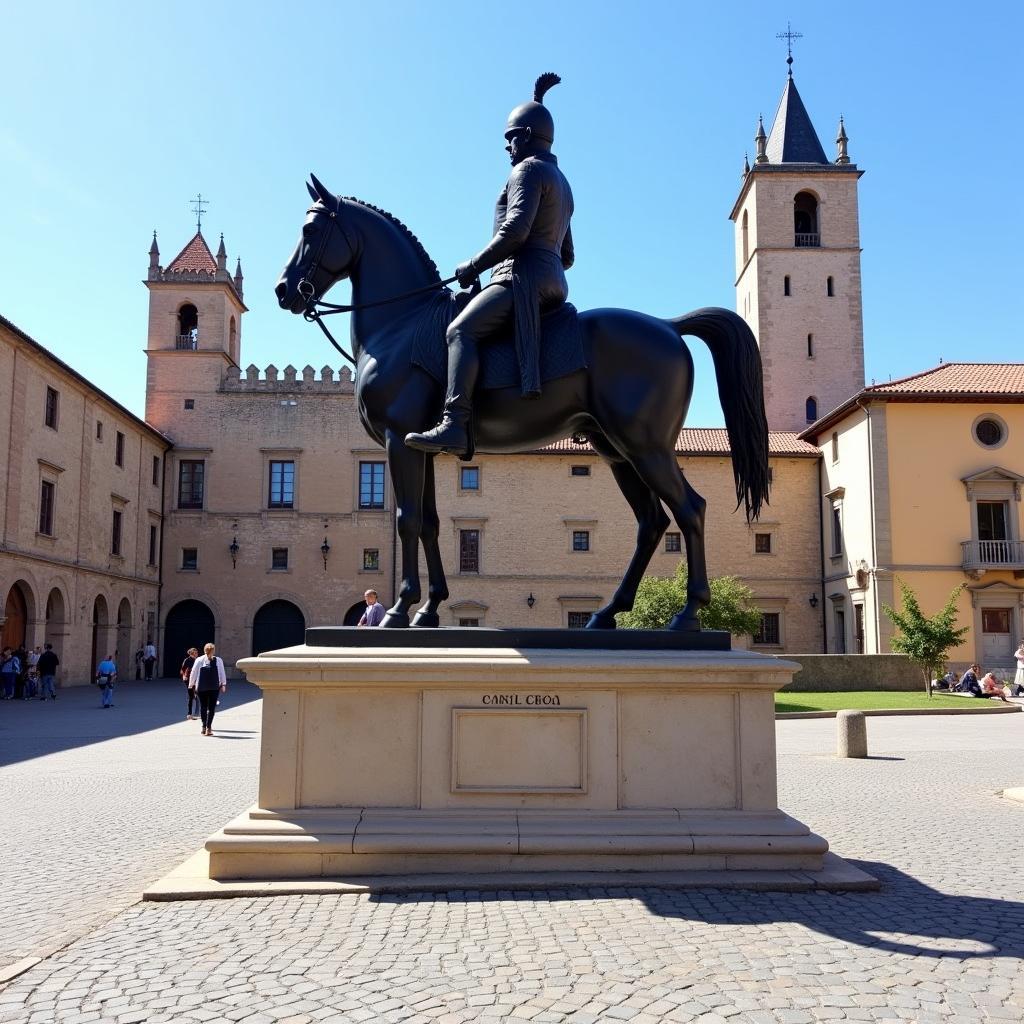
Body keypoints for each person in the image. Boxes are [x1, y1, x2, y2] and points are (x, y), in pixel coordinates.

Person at [406, 73, 574, 459]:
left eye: (510, 137)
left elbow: (514, 233)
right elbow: (567, 254)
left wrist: (473, 264)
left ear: (528, 134)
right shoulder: (562, 182)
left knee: (459, 331)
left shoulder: (527, 171)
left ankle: (453, 422)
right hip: (553, 281)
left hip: (522, 279)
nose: (507, 146)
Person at [188, 642, 227, 736]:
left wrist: (191, 684)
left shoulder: (199, 660)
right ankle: (209, 728)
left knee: (203, 707)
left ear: (204, 650)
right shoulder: (218, 660)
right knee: (212, 708)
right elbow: (222, 672)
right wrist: (224, 684)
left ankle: (203, 727)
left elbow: (193, 672)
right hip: (214, 687)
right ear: (213, 651)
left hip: (201, 687)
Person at [181, 647, 200, 720]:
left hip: (197, 679)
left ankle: (197, 712)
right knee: (191, 696)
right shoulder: (187, 660)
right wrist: (184, 676)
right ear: (192, 653)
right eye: (195, 653)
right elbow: (182, 669)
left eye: (197, 653)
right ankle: (189, 714)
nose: (197, 654)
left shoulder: (198, 660)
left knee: (196, 695)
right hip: (188, 679)